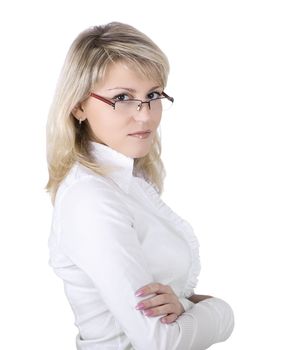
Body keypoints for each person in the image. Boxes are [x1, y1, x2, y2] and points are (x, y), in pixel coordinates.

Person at [45, 21, 234, 350]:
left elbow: (167, 313)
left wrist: (183, 304)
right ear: (78, 106)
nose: (145, 116)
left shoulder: (127, 181)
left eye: (153, 95)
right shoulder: (91, 198)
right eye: (122, 97)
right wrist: (221, 311)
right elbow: (160, 340)